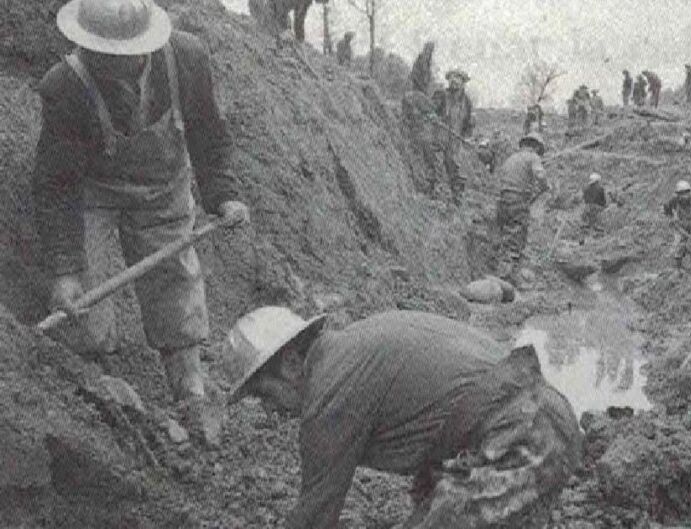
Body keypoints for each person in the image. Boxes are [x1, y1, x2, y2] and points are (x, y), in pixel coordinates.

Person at [36, 0, 250, 443]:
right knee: (85, 303)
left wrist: (224, 195)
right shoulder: (64, 87)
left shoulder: (187, 58)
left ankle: (188, 387)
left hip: (163, 185)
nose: (115, 67)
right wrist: (66, 270)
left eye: (125, 57)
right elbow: (56, 185)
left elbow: (209, 132)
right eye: (102, 57)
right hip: (92, 192)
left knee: (174, 279)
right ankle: (100, 390)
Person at [224, 307, 583, 529]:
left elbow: (315, 516)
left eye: (264, 394)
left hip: (527, 442)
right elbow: (444, 424)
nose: (270, 412)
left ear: (289, 364)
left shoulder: (329, 395)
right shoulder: (353, 347)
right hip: (541, 423)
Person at [496, 133, 550, 284]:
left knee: (505, 235)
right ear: (537, 146)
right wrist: (545, 186)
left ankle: (501, 270)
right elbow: (540, 175)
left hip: (502, 200)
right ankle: (506, 276)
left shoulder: (511, 158)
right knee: (517, 235)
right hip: (517, 200)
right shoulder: (533, 157)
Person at [433, 69, 474, 204]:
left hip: (455, 141)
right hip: (439, 137)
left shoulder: (467, 102)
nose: (455, 80)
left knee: (455, 168)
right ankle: (435, 193)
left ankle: (457, 197)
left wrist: (468, 136)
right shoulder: (441, 95)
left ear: (463, 83)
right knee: (437, 164)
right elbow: (432, 111)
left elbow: (468, 122)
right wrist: (434, 116)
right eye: (452, 77)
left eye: (458, 78)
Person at [663, 179, 691, 265]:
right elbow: (667, 207)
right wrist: (671, 217)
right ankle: (678, 265)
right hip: (681, 225)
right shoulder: (674, 200)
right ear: (678, 194)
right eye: (682, 193)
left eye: (686, 193)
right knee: (679, 245)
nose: (685, 196)